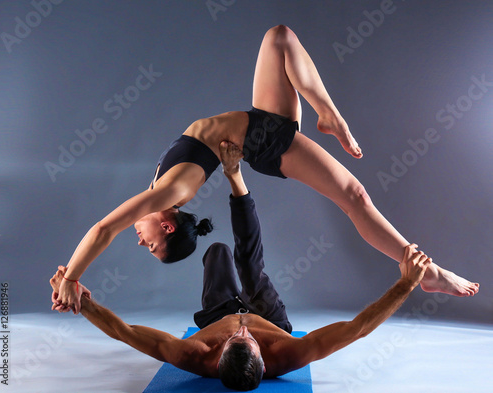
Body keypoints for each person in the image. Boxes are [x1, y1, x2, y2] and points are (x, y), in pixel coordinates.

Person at [53, 24, 478, 314]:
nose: (140, 241)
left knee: (279, 37)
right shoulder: (171, 195)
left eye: (146, 246)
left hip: (260, 121)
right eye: (151, 246)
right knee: (354, 198)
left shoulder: (160, 190)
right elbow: (103, 230)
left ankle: (328, 113)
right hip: (263, 142)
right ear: (167, 227)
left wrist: (68, 276)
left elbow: (102, 231)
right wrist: (73, 277)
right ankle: (427, 270)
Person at [51, 142, 433, 391]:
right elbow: (357, 329)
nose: (245, 330)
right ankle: (237, 177)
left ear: (217, 358)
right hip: (272, 316)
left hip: (217, 312)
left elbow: (126, 332)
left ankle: (235, 182)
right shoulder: (287, 353)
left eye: (239, 339)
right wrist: (406, 284)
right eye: (246, 340)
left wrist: (83, 303)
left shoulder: (195, 353)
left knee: (217, 250)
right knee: (250, 268)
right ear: (264, 361)